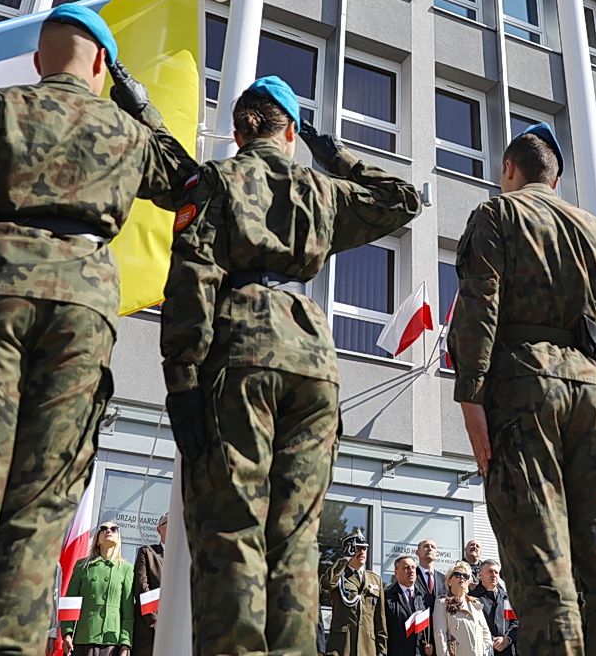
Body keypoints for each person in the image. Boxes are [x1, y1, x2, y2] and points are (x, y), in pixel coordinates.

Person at [0, 4, 192, 656]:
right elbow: (190, 184)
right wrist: (143, 111)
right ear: (103, 66)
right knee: (41, 504)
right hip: (81, 310)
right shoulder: (125, 129)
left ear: (37, 61)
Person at [161, 76, 421, 656]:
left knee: (232, 530)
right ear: (292, 132)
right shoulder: (321, 189)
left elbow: (191, 282)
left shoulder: (218, 179)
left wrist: (181, 381)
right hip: (312, 359)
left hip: (240, 350)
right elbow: (403, 199)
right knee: (297, 541)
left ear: (238, 129)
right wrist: (331, 152)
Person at [450, 124, 596, 656]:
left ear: (510, 169)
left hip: (523, 383)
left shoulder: (497, 214)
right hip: (590, 387)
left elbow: (480, 304)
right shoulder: (595, 229)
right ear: (554, 178)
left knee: (541, 564)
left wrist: (470, 396)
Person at [63, 522, 134, 656]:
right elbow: (70, 602)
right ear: (97, 540)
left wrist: (125, 644)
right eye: (103, 529)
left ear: (118, 537)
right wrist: (67, 633)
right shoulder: (82, 566)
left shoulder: (126, 569)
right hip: (82, 638)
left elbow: (128, 611)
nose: (109, 531)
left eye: (114, 529)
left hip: (110, 640)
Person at [324, 534, 386, 656]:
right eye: (357, 548)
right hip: (342, 646)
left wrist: (382, 649)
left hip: (367, 647)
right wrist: (345, 559)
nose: (361, 551)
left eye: (364, 549)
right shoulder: (339, 575)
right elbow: (327, 584)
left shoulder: (375, 579)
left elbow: (380, 618)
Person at [433, 563, 492, 656]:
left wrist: (486, 651)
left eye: (466, 576)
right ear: (449, 581)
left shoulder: (475, 604)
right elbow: (440, 635)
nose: (462, 577)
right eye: (457, 574)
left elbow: (486, 634)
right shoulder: (442, 603)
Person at [131, 514, 166, 656]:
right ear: (159, 529)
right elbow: (142, 588)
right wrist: (155, 621)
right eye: (171, 522)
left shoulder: (186, 558)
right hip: (148, 632)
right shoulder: (147, 552)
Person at [384, 556, 432, 656]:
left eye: (413, 567)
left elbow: (431, 628)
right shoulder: (387, 597)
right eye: (406, 568)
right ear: (396, 573)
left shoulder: (425, 597)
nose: (411, 571)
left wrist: (431, 646)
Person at [467, 561, 515, 656]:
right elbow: (470, 626)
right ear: (480, 575)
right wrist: (491, 640)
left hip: (507, 651)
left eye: (496, 572)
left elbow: (514, 622)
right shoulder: (472, 598)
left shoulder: (506, 598)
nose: (493, 575)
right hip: (483, 650)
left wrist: (507, 639)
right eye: (490, 571)